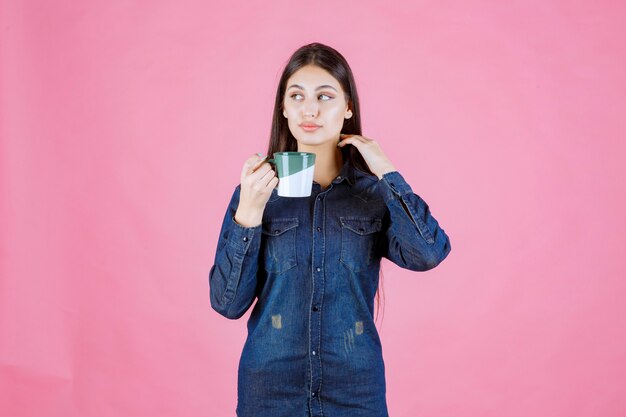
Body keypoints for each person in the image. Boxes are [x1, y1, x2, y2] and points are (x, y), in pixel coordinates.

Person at [208, 42, 452, 417]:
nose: (310, 109)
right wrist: (249, 214)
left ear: (348, 107)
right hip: (270, 394)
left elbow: (429, 253)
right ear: (284, 109)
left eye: (325, 96)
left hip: (355, 392)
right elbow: (227, 304)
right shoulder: (256, 193)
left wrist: (387, 171)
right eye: (297, 96)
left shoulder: (372, 193)